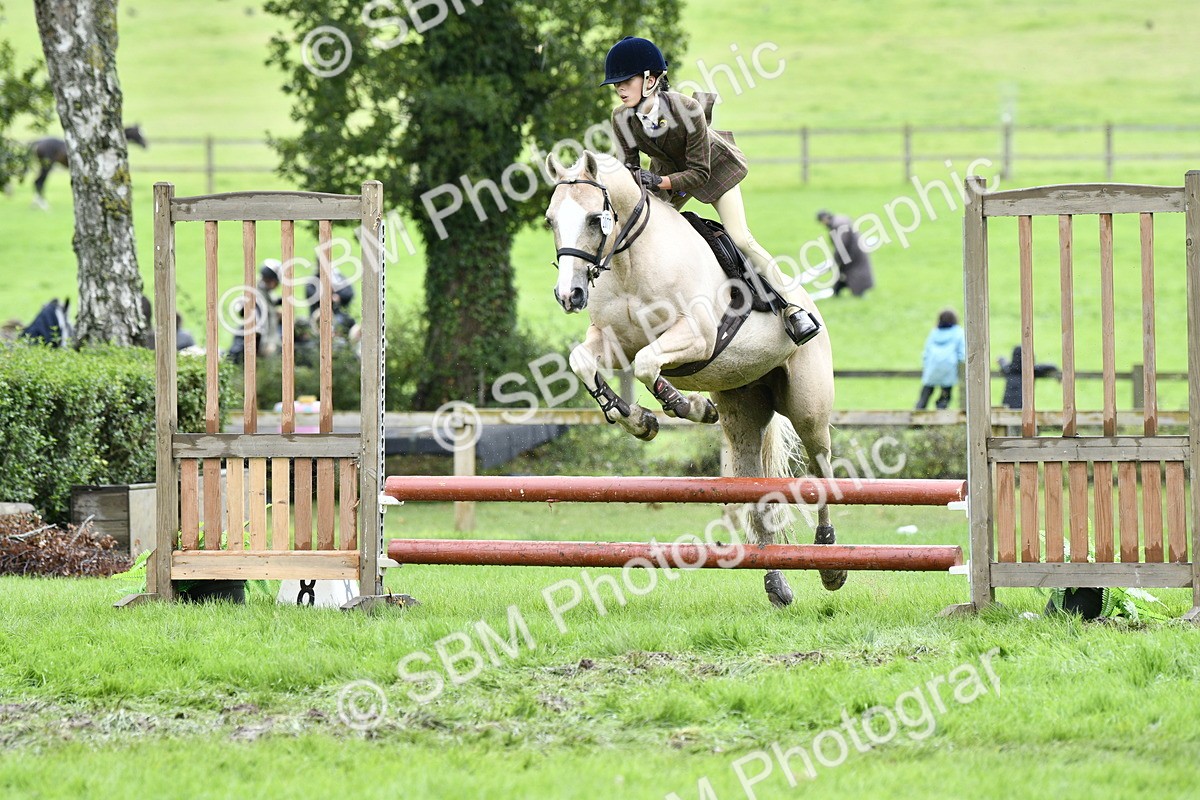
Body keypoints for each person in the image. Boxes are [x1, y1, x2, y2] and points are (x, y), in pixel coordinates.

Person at [603, 36, 820, 346]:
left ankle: (792, 308)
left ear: (650, 79)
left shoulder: (687, 109)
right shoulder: (621, 117)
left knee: (741, 237)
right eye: (616, 85)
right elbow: (630, 166)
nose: (620, 89)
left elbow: (699, 173)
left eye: (626, 81)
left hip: (713, 169)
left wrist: (658, 183)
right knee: (641, 229)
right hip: (665, 174)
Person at [915, 309, 966, 409]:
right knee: (945, 394)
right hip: (949, 366)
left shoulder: (934, 332)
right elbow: (962, 353)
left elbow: (926, 352)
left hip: (932, 365)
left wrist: (926, 365)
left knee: (926, 392)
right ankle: (941, 415)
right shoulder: (958, 332)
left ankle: (917, 414)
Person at [817, 210, 874, 297]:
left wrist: (836, 259)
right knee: (846, 273)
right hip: (853, 252)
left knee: (852, 273)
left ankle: (855, 293)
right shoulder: (839, 222)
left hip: (852, 254)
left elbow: (841, 245)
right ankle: (837, 292)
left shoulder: (838, 225)